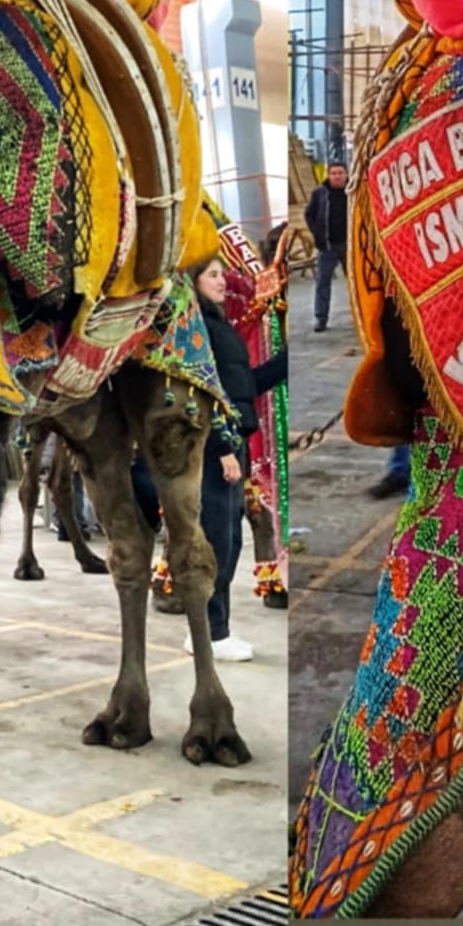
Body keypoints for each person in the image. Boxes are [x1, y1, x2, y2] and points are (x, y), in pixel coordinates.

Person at [189, 257, 288, 663]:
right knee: (218, 542)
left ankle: (212, 629)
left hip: (235, 446)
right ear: (193, 283)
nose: (222, 281)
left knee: (230, 539)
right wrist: (223, 447)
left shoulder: (220, 326)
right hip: (219, 451)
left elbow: (242, 388)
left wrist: (284, 363)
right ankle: (213, 633)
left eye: (221, 274)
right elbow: (202, 392)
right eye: (212, 275)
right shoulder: (200, 332)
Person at [307, 162, 350, 331]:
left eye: (340, 173)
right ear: (328, 175)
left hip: (350, 246)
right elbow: (308, 214)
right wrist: (317, 232)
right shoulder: (319, 193)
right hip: (327, 246)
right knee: (323, 283)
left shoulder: (352, 192)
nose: (337, 176)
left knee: (356, 284)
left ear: (346, 174)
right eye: (333, 173)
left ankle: (362, 318)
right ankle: (321, 318)